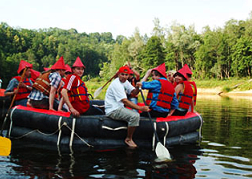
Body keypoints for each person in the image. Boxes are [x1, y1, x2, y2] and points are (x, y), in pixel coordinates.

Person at [105, 65, 149, 148]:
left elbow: (134, 93)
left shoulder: (125, 82)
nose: (124, 77)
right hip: (113, 110)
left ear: (128, 75)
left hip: (119, 108)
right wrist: (140, 108)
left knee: (134, 113)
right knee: (135, 115)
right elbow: (124, 100)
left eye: (126, 75)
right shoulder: (116, 84)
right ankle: (128, 139)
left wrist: (137, 87)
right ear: (118, 74)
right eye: (122, 74)